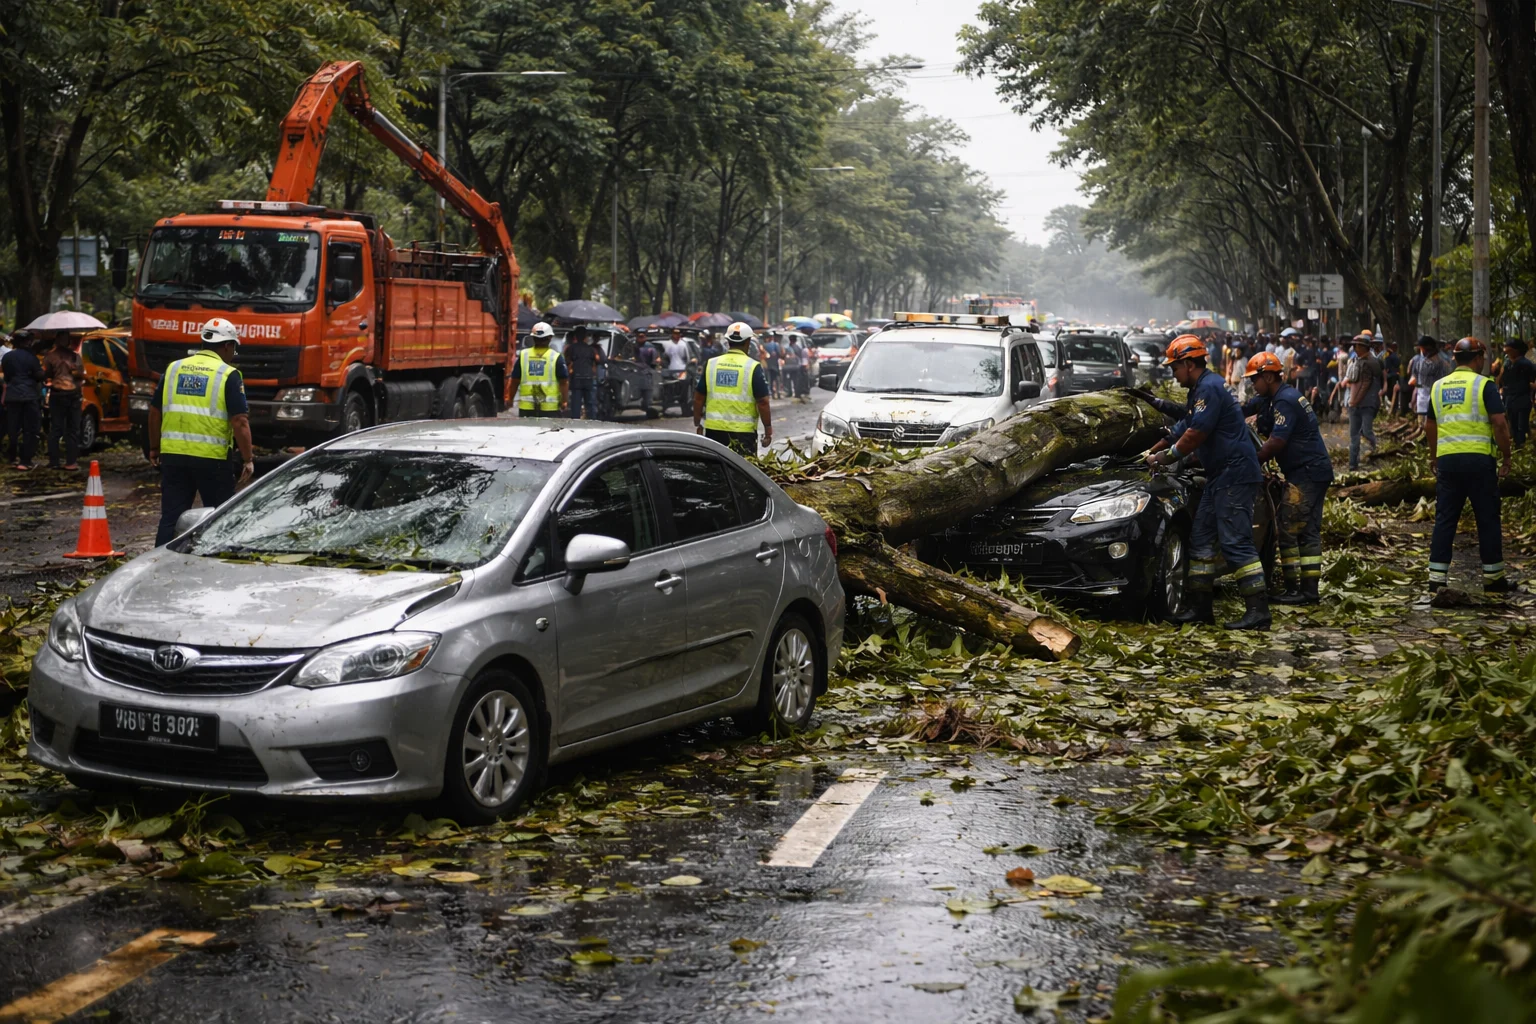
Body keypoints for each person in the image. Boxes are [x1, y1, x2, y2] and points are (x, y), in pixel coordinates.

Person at [1139, 335, 1270, 630]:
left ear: (1188, 363)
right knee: (1200, 539)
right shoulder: (1201, 389)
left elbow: (1195, 435)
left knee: (1236, 542)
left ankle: (1258, 610)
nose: (1173, 373)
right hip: (1219, 475)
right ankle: (1200, 607)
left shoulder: (1209, 389)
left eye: (1175, 368)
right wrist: (1153, 449)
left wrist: (1165, 458)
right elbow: (1184, 425)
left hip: (1234, 474)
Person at [148, 318, 255, 546]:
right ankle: (218, 563)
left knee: (171, 518)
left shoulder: (173, 368)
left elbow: (155, 411)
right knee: (220, 518)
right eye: (233, 347)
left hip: (173, 457)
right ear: (226, 346)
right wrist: (248, 458)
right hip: (213, 460)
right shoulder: (228, 374)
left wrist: (154, 447)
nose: (233, 353)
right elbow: (239, 421)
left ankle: (158, 564)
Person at [1242, 353, 1334, 604]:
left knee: (1289, 526)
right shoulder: (1275, 397)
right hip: (1311, 471)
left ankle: (1296, 590)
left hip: (1308, 473)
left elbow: (1276, 442)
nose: (1253, 385)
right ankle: (1308, 591)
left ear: (1269, 376)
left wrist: (1251, 463)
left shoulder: (1285, 401)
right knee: (1308, 531)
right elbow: (1244, 408)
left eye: (1255, 380)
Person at [1426, 337, 1513, 595]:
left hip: (1449, 462)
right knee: (1486, 518)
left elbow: (1429, 425)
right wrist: (1507, 457)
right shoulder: (1483, 385)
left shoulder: (1439, 387)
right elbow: (1499, 423)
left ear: (1454, 358)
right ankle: (1493, 579)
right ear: (1478, 358)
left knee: (1445, 519)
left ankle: (1437, 579)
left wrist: (1434, 456)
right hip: (1479, 462)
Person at [693, 321, 772, 456]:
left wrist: (698, 423)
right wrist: (768, 429)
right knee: (742, 473)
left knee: (715, 471)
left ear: (728, 340)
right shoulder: (753, 367)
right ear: (748, 341)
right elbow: (763, 402)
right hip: (743, 433)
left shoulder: (711, 364)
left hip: (714, 431)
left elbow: (699, 397)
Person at [2, 332, 44, 471]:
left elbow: (7, 377)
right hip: (29, 396)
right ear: (27, 342)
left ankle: (11, 457)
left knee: (13, 428)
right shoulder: (32, 358)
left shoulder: (7, 357)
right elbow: (38, 376)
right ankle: (25, 461)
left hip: (12, 395)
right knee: (30, 428)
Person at [43, 335, 86, 471]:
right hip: (73, 394)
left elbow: (46, 374)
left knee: (56, 428)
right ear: (67, 341)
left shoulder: (49, 356)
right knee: (72, 429)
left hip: (57, 393)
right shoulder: (74, 356)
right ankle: (71, 462)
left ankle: (54, 461)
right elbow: (81, 374)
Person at [511, 322, 568, 418]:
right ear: (550, 337)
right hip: (550, 408)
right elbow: (563, 382)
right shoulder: (556, 357)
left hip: (527, 408)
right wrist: (564, 401)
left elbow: (515, 380)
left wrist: (510, 399)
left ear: (533, 338)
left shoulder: (524, 355)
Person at [1344, 333, 1382, 469]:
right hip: (1355, 404)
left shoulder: (1371, 362)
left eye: (1357, 346)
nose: (1354, 348)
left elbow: (1366, 384)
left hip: (1367, 404)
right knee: (1354, 435)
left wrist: (1355, 401)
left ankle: (1376, 451)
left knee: (1366, 431)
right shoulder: (1356, 360)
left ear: (1364, 347)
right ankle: (1353, 464)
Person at [1498, 338, 1536, 447]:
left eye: (1509, 350)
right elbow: (1501, 380)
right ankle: (1517, 446)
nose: (1506, 352)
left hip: (1521, 398)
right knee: (1513, 426)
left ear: (1516, 350)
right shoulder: (1507, 364)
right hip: (1510, 399)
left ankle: (1520, 446)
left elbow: (1532, 381)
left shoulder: (1525, 364)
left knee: (1520, 427)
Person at [563, 325, 604, 420]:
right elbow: (598, 360)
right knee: (590, 404)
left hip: (576, 379)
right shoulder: (591, 349)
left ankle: (576, 424)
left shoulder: (570, 348)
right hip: (588, 378)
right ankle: (592, 423)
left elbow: (566, 361)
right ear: (586, 337)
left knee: (576, 405)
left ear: (575, 337)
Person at [1408, 335, 1450, 425]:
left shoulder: (1422, 363)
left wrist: (1414, 399)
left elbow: (1417, 383)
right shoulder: (1443, 362)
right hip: (1435, 403)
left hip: (1427, 403)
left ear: (1425, 348)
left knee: (1426, 427)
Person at [635, 331, 660, 417]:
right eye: (639, 336)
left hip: (647, 372)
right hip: (635, 372)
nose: (640, 338)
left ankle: (647, 407)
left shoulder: (650, 347)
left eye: (642, 336)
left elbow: (654, 361)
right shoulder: (634, 346)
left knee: (647, 391)